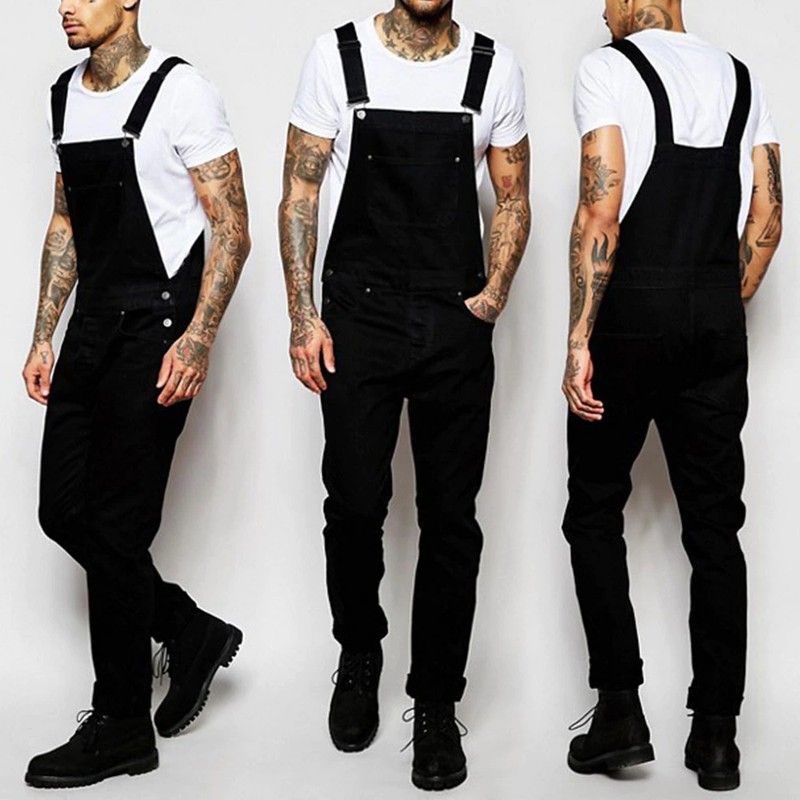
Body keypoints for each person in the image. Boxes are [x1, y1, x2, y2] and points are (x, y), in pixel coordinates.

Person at [279, 0, 530, 791]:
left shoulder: (492, 66)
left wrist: (492, 295)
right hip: (359, 314)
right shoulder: (338, 55)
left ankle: (436, 703)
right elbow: (299, 191)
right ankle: (360, 652)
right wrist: (303, 316)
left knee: (451, 520)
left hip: (454, 317)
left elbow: (514, 196)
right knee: (355, 503)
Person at [22, 0, 251, 788]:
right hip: (90, 328)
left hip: (157, 331)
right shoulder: (63, 95)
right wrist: (44, 333)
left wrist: (198, 337)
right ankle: (186, 629)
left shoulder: (181, 91)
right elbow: (65, 223)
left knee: (117, 529)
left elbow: (232, 227)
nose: (64, 6)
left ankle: (121, 724)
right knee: (64, 511)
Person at [561, 0, 781, 792]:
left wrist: (579, 337)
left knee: (594, 511)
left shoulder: (606, 68)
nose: (600, 11)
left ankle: (620, 712)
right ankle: (717, 738)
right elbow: (767, 215)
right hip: (714, 320)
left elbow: (601, 209)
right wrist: (718, 301)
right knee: (716, 529)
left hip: (631, 318)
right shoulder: (742, 79)